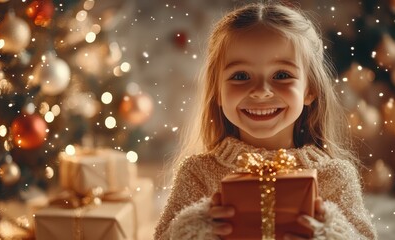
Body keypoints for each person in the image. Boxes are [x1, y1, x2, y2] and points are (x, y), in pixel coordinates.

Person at [154, 1, 377, 239]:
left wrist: (330, 233)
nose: (261, 91)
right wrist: (194, 228)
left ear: (310, 90)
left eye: (282, 75)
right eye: (241, 76)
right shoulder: (197, 172)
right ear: (217, 92)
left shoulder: (334, 175)